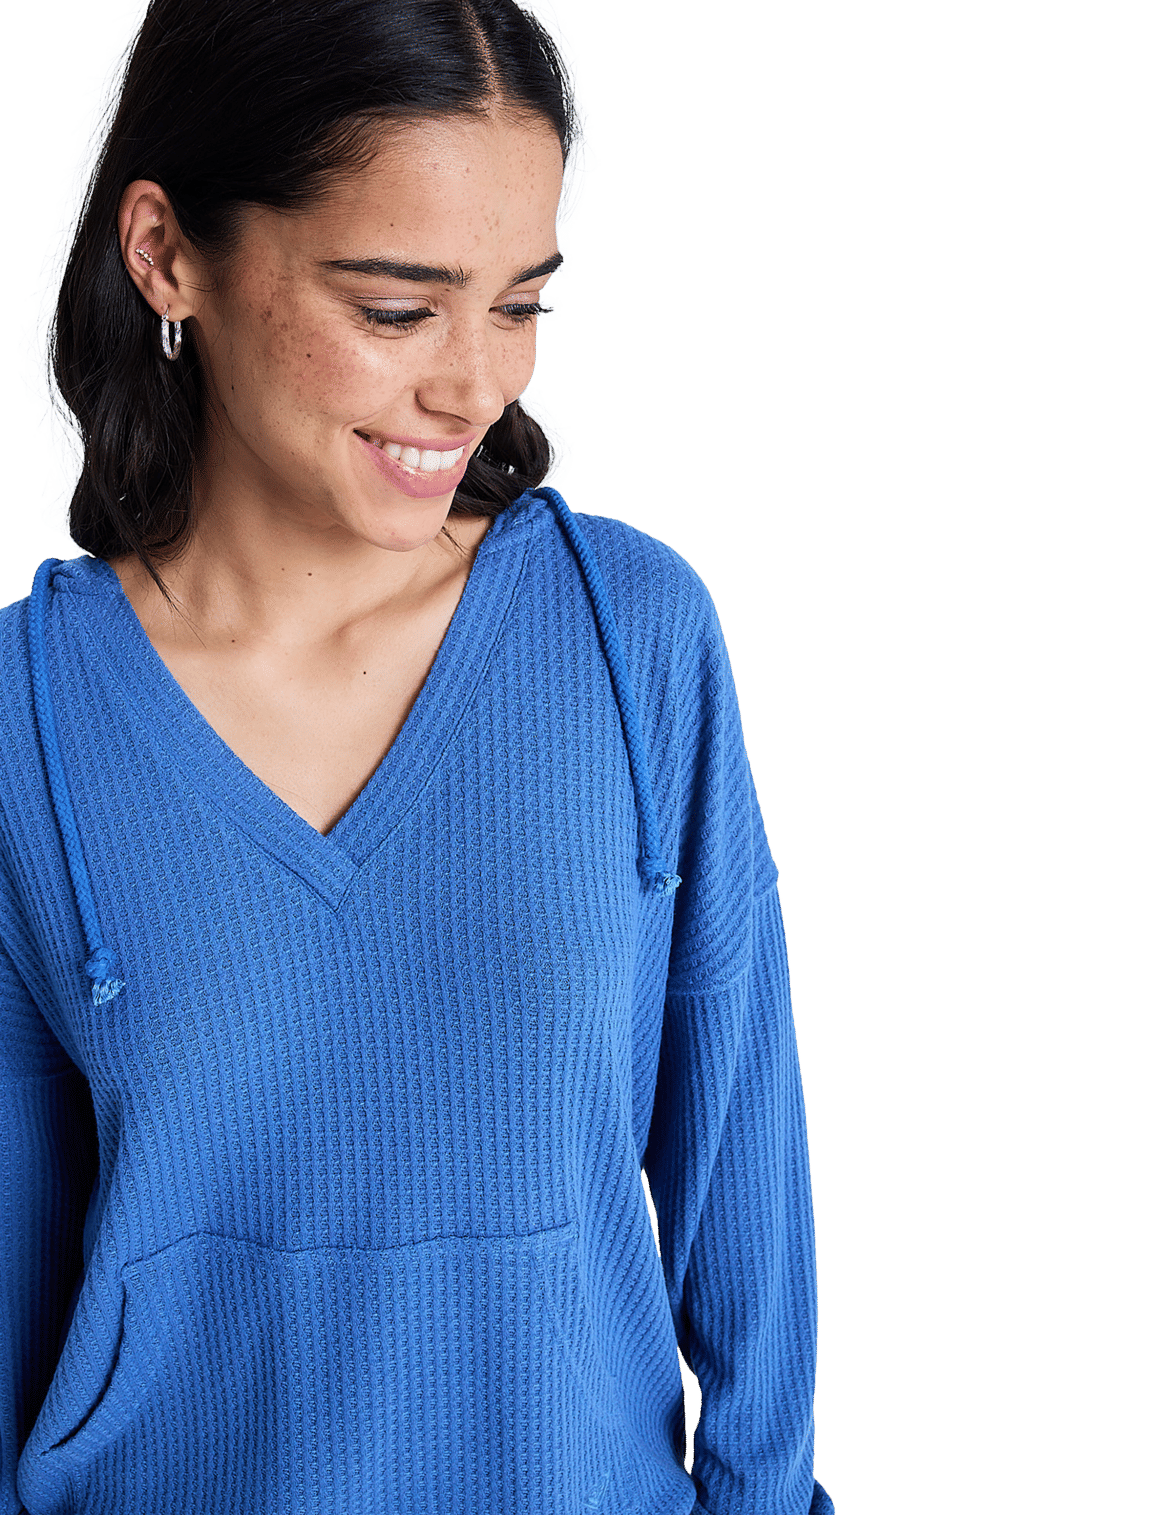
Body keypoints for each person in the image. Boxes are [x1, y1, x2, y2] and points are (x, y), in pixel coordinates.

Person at [2, 2, 835, 1512]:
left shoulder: (630, 636)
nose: (477, 388)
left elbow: (742, 1182)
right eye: (398, 309)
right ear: (165, 252)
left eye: (521, 304)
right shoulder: (28, 719)